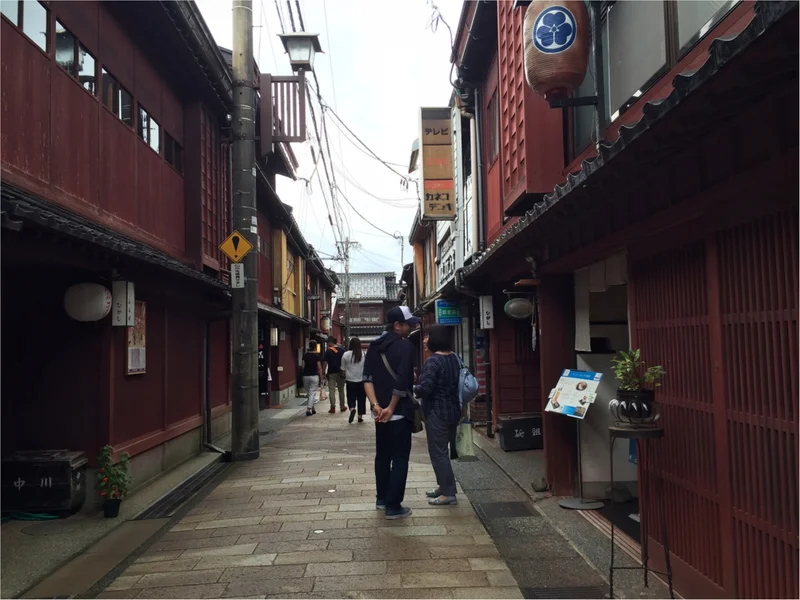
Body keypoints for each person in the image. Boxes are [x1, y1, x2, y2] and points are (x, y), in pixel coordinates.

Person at [363, 306, 419, 520]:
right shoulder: (405, 347)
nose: (411, 327)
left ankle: (381, 499)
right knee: (400, 457)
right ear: (397, 326)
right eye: (408, 324)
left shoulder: (374, 346)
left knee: (382, 455)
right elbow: (402, 380)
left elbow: (367, 378)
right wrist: (391, 407)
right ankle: (394, 506)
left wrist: (376, 405)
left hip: (379, 414)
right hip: (398, 412)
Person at [414, 325, 462, 506]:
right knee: (443, 451)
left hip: (437, 412)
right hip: (453, 410)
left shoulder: (433, 361)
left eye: (428, 336)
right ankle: (443, 486)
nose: (425, 340)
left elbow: (425, 389)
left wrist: (412, 389)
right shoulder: (455, 357)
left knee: (438, 452)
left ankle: (448, 493)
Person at [341, 337, 367, 423]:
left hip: (350, 380)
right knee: (361, 398)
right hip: (361, 380)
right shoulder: (363, 354)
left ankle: (352, 409)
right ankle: (360, 416)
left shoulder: (346, 354)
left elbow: (343, 368)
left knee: (350, 396)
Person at [323, 336, 347, 414]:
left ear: (331, 342)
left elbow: (325, 363)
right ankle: (342, 406)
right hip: (341, 372)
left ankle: (332, 407)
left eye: (328, 342)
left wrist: (323, 372)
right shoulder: (342, 350)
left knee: (331, 390)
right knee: (341, 390)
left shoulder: (328, 351)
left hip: (331, 373)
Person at [301, 341, 324, 417]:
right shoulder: (317, 356)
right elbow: (319, 368)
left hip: (305, 376)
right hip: (314, 376)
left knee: (309, 393)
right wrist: (321, 377)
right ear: (315, 347)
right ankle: (308, 409)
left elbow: (303, 366)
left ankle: (313, 408)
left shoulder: (305, 355)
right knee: (312, 393)